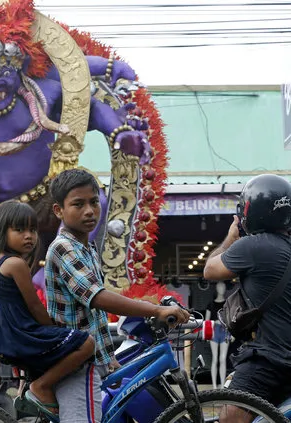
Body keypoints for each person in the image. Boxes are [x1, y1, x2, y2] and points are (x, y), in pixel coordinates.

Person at [44, 169, 189, 422]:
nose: (89, 211)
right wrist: (153, 310)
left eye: (93, 202)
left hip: (92, 359)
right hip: (75, 366)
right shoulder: (63, 247)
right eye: (78, 204)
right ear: (59, 211)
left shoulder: (85, 246)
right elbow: (97, 298)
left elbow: (94, 312)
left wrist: (109, 359)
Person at [0, 201, 96, 419]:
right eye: (19, 230)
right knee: (86, 343)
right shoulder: (15, 264)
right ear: (1, 232)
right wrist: (55, 329)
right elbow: (34, 305)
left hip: (5, 335)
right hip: (19, 334)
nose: (29, 236)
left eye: (32, 230)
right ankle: (41, 386)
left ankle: (35, 389)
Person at [203, 174, 291, 423]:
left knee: (229, 419)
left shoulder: (252, 246)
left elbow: (210, 270)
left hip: (268, 361)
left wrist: (231, 237)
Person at [205, 281, 231, 389]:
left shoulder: (228, 304)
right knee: (215, 358)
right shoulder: (210, 304)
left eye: (223, 286)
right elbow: (206, 321)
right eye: (219, 286)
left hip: (225, 330)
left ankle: (222, 385)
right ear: (216, 288)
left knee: (223, 358)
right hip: (214, 331)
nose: (221, 288)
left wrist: (232, 333)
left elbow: (230, 320)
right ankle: (215, 386)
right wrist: (207, 334)